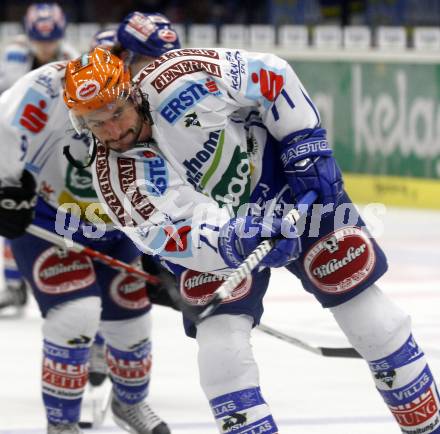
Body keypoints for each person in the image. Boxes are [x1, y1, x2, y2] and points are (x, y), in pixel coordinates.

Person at [63, 46, 440, 434]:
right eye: (96, 123)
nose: (113, 131)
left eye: (116, 113)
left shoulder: (182, 75)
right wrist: (234, 242)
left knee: (373, 321)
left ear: (132, 94)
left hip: (290, 190)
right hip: (221, 244)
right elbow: (170, 236)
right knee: (222, 355)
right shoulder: (113, 177)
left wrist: (303, 145)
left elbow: (273, 77)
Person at [0, 17, 182, 434]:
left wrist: (168, 257)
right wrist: (5, 188)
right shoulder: (48, 87)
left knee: (133, 319)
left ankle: (129, 404)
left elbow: (177, 183)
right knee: (75, 316)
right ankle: (61, 425)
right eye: (149, 62)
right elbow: (4, 128)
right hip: (50, 216)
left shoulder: (159, 94)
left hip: (116, 224)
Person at [0, 2, 79, 312]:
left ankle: (47, 273)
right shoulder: (15, 54)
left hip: (49, 145)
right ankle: (14, 283)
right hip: (15, 139)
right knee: (12, 208)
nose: (45, 47)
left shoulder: (70, 56)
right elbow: (9, 101)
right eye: (40, 40)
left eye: (51, 39)